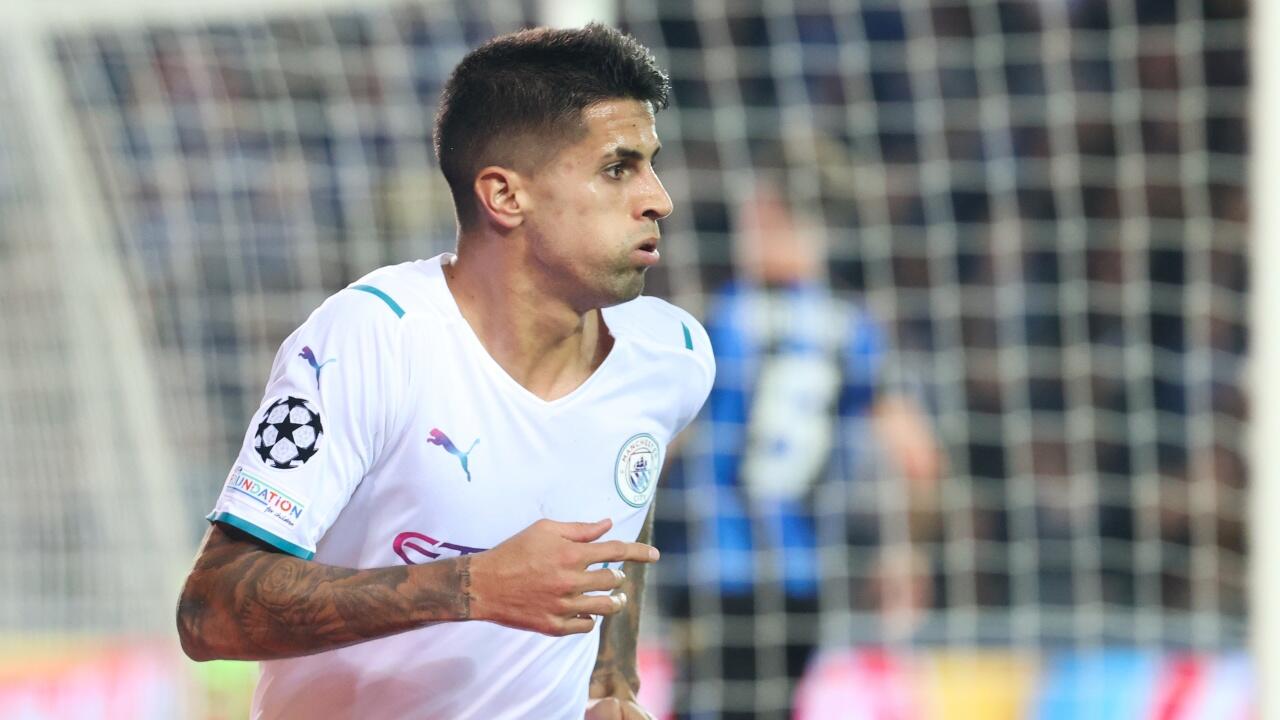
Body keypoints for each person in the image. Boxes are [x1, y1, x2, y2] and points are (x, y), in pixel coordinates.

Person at [176, 25, 715, 720]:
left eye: (651, 165)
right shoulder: (374, 339)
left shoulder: (672, 355)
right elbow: (209, 610)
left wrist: (611, 685)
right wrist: (471, 586)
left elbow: (622, 506)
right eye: (619, 168)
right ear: (505, 196)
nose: (658, 199)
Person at [672, 166, 941, 719]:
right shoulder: (852, 328)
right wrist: (906, 552)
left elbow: (662, 437)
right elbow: (919, 458)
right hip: (804, 575)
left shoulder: (717, 320)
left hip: (717, 566)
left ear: (773, 216)